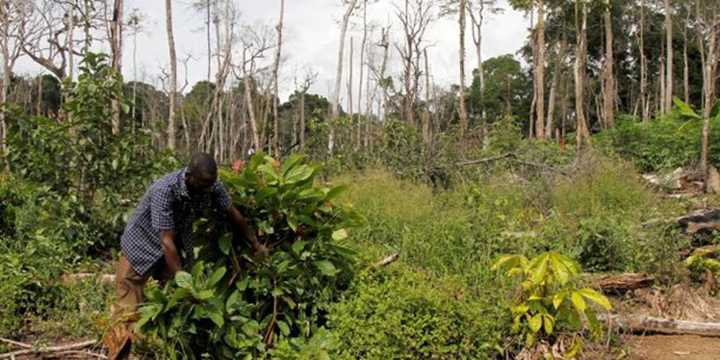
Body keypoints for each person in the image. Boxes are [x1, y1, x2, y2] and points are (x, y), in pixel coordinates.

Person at [104, 152, 268, 360]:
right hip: (141, 245)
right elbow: (166, 241)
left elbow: (232, 212)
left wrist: (256, 244)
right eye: (203, 184)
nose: (208, 189)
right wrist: (184, 283)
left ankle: (175, 352)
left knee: (181, 305)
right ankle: (119, 356)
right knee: (127, 310)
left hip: (171, 249)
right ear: (189, 176)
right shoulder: (165, 189)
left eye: (211, 184)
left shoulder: (211, 185)